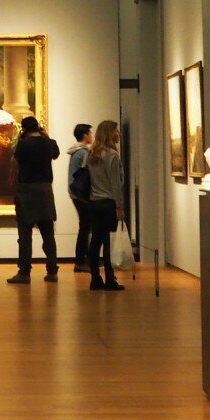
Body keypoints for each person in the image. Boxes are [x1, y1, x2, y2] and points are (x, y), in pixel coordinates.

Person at [8, 115, 60, 284]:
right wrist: (46, 135)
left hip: (27, 190)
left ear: (23, 129)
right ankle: (52, 271)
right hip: (45, 190)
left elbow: (14, 163)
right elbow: (56, 153)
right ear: (38, 127)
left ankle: (24, 272)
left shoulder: (24, 144)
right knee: (48, 234)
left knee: (25, 235)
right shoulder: (48, 143)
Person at [84, 119, 125, 291]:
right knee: (109, 243)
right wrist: (119, 207)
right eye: (116, 131)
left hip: (94, 202)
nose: (118, 134)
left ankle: (95, 277)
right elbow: (115, 184)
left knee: (95, 241)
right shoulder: (112, 155)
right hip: (108, 203)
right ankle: (110, 278)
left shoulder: (91, 154)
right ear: (109, 133)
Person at [66, 123, 93, 273]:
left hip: (75, 192)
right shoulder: (83, 153)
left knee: (85, 225)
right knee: (85, 226)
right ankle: (81, 261)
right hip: (81, 194)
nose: (92, 135)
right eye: (90, 133)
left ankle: (85, 259)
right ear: (85, 135)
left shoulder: (76, 151)